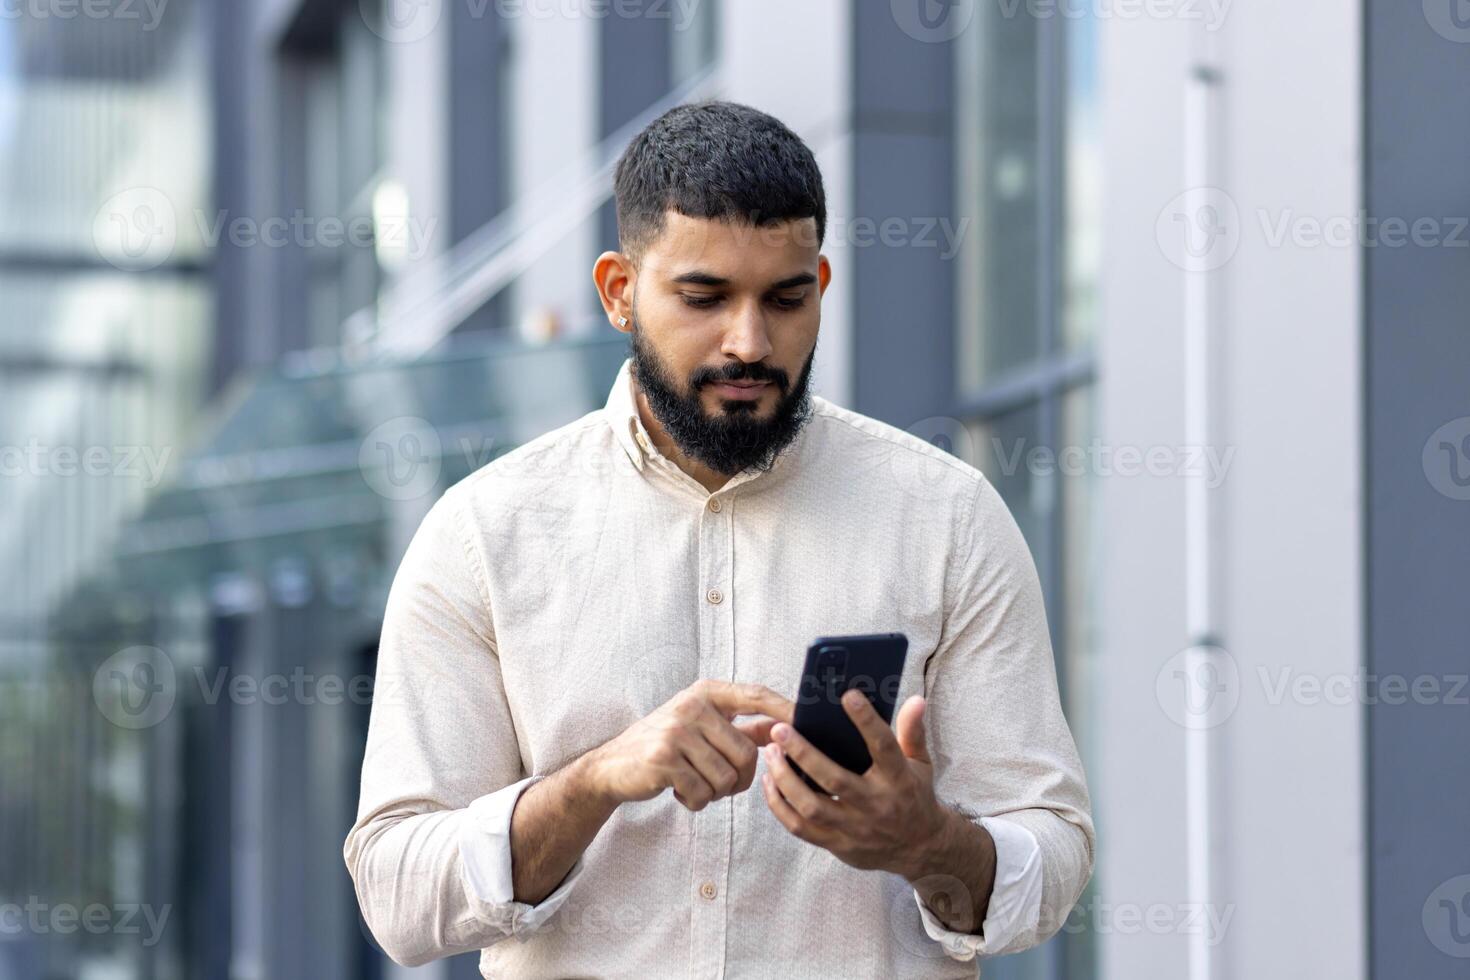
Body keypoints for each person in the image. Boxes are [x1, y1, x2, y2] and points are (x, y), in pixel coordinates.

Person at [344, 100, 1093, 978]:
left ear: (820, 284)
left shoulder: (946, 518)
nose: (750, 341)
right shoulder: (484, 534)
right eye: (704, 297)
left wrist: (927, 843)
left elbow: (1057, 854)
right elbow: (396, 891)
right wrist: (592, 784)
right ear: (620, 293)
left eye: (785, 299)